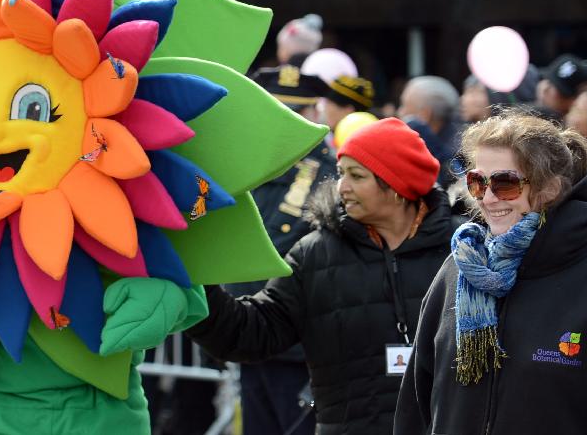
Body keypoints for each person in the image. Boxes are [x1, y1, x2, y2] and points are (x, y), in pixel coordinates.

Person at [188, 118, 459, 434]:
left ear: (398, 185)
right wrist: (196, 286)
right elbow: (252, 333)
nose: (341, 187)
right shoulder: (315, 253)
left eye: (356, 176)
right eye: (342, 173)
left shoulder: (463, 249)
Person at [395, 111, 587, 435]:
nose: (487, 198)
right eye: (477, 182)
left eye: (505, 183)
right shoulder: (459, 266)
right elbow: (417, 403)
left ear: (550, 188)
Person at [225, 65, 335, 435]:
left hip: (298, 345)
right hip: (249, 334)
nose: (282, 121)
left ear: (314, 114)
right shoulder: (247, 164)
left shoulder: (326, 173)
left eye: (294, 112)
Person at [398, 75, 462, 186]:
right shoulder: (459, 140)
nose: (399, 112)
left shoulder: (453, 155)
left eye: (404, 106)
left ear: (425, 114)